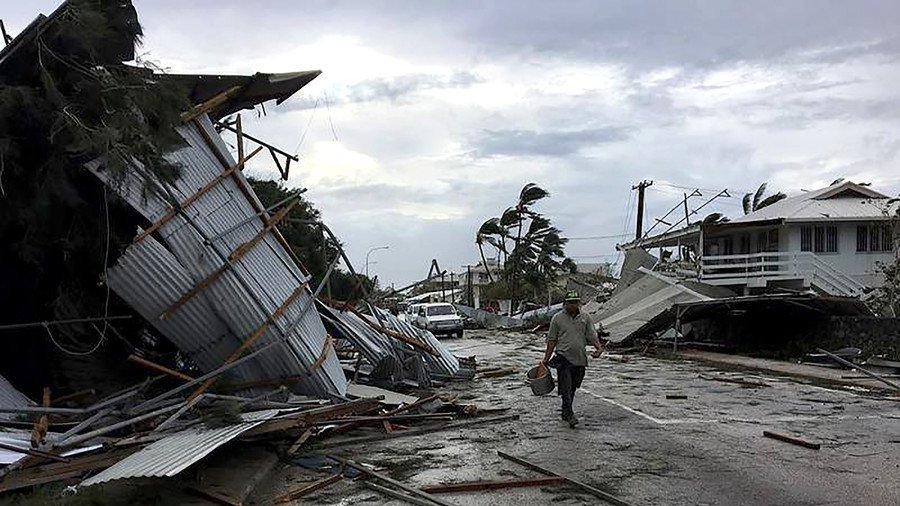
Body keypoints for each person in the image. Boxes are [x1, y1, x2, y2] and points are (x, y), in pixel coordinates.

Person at [542, 290, 604, 428]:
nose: (572, 306)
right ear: (565, 304)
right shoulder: (557, 318)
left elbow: (591, 334)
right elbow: (551, 340)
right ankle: (570, 414)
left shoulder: (585, 317)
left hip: (580, 358)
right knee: (566, 386)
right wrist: (546, 358)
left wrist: (598, 348)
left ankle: (565, 411)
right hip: (563, 357)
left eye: (575, 303)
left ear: (579, 304)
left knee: (573, 387)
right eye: (570, 303)